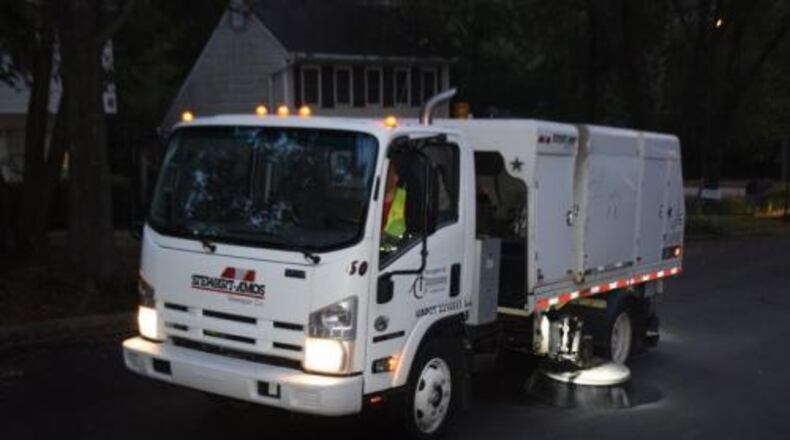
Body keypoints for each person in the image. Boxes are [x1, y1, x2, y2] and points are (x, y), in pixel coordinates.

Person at [381, 160, 408, 251]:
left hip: (396, 256)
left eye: (387, 174)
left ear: (396, 178)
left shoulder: (407, 199)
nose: (383, 177)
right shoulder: (371, 198)